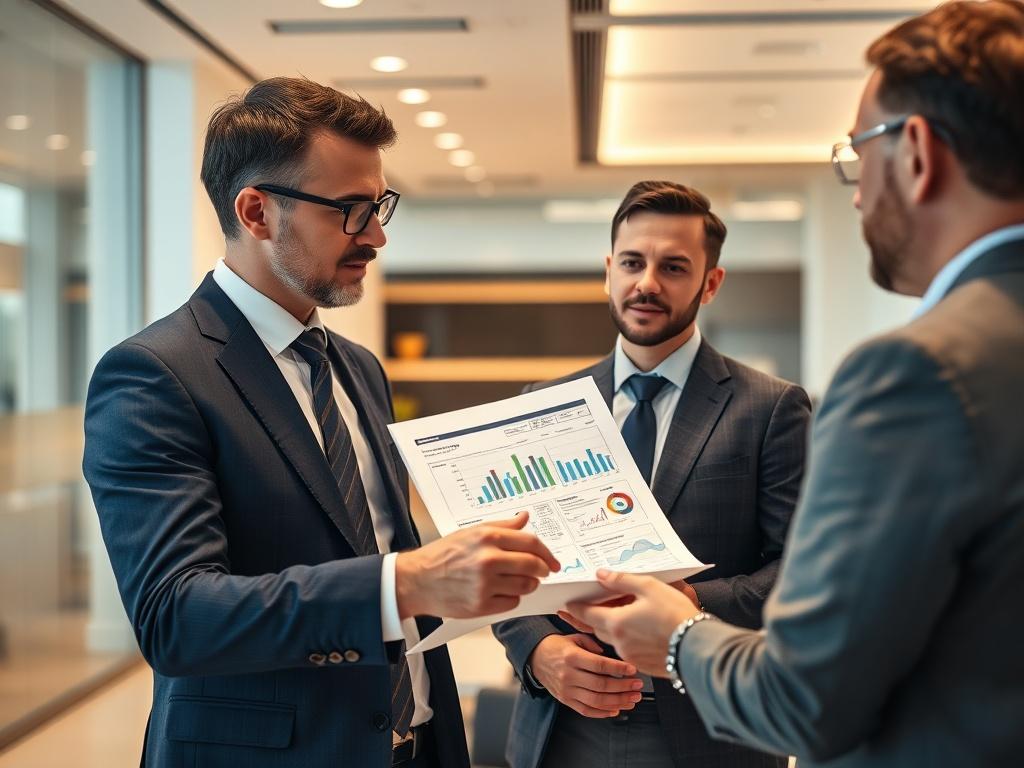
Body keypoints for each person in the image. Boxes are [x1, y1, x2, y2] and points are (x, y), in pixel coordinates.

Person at [566, 3, 1024, 767]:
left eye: (857, 152)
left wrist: (678, 635)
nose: (854, 191)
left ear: (914, 150)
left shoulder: (914, 372)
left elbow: (805, 701)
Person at [82, 77, 559, 768]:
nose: (378, 234)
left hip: (414, 741)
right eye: (351, 210)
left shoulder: (357, 366)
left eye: (380, 205)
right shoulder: (156, 374)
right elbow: (177, 617)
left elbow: (369, 542)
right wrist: (406, 581)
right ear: (256, 212)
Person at [494, 181, 811, 768]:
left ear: (710, 283)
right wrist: (539, 652)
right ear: (609, 270)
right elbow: (507, 563)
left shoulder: (771, 408)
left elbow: (802, 571)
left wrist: (689, 602)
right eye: (634, 263)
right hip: (563, 724)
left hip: (708, 728)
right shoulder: (543, 405)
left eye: (674, 267)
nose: (648, 284)